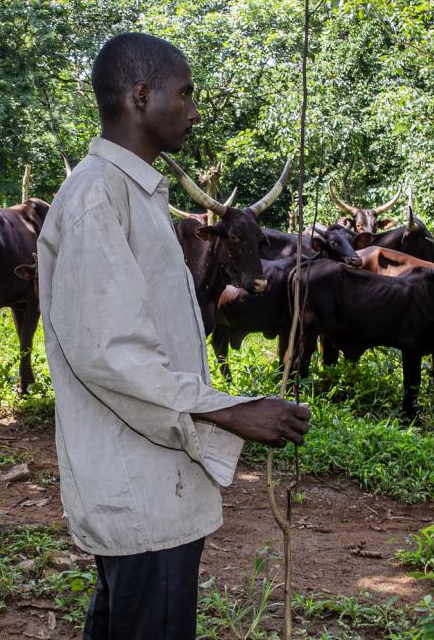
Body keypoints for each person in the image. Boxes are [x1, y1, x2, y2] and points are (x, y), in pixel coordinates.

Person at [36, 32, 312, 640]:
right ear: (141, 95)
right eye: (184, 94)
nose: (193, 109)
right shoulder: (97, 200)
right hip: (141, 494)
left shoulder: (132, 196)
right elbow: (112, 356)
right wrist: (233, 411)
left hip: (151, 486)